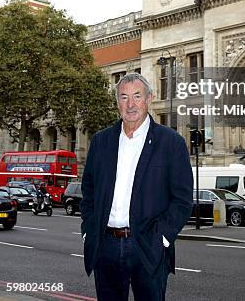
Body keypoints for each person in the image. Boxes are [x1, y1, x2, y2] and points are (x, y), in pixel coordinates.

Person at [80, 72, 193, 301]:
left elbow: (182, 199)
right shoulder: (101, 141)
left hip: (148, 246)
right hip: (106, 245)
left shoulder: (171, 142)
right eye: (123, 97)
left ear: (149, 99)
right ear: (117, 103)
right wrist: (89, 231)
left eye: (137, 96)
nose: (130, 104)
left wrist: (161, 237)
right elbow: (88, 191)